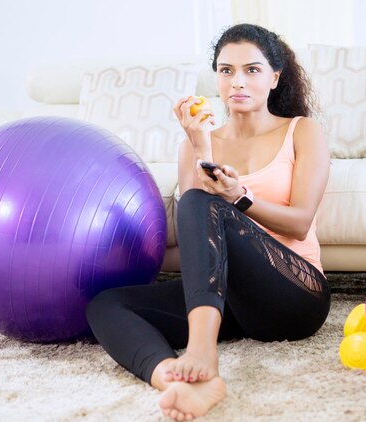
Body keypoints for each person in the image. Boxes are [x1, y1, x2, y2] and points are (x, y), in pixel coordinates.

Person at [86, 23, 331, 421]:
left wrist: (240, 197)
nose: (238, 81)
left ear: (275, 77)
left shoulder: (303, 132)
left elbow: (300, 223)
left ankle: (203, 353)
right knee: (106, 304)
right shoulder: (195, 143)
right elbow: (193, 233)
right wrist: (201, 146)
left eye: (252, 70)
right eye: (226, 70)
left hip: (296, 295)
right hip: (229, 300)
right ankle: (176, 380)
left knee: (203, 200)